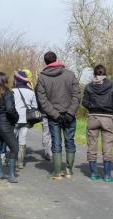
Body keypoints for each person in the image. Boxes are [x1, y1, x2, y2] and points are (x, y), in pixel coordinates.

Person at [35, 51, 81, 180]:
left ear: (46, 62)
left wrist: (56, 115)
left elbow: (42, 101)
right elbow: (77, 95)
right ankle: (69, 171)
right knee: (70, 141)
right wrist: (70, 113)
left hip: (53, 116)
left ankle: (57, 172)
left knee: (56, 142)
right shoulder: (70, 74)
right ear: (56, 59)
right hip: (69, 116)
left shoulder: (42, 78)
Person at [81, 64, 113, 182]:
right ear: (105, 73)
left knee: (92, 145)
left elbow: (84, 102)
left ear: (94, 74)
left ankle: (93, 174)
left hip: (93, 117)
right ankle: (107, 176)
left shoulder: (89, 87)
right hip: (108, 119)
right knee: (107, 146)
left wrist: (92, 107)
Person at [12, 69, 38, 169]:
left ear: (16, 80)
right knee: (22, 140)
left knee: (12, 140)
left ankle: (12, 160)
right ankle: (20, 162)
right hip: (26, 119)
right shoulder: (31, 92)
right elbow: (35, 106)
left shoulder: (12, 91)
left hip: (14, 119)